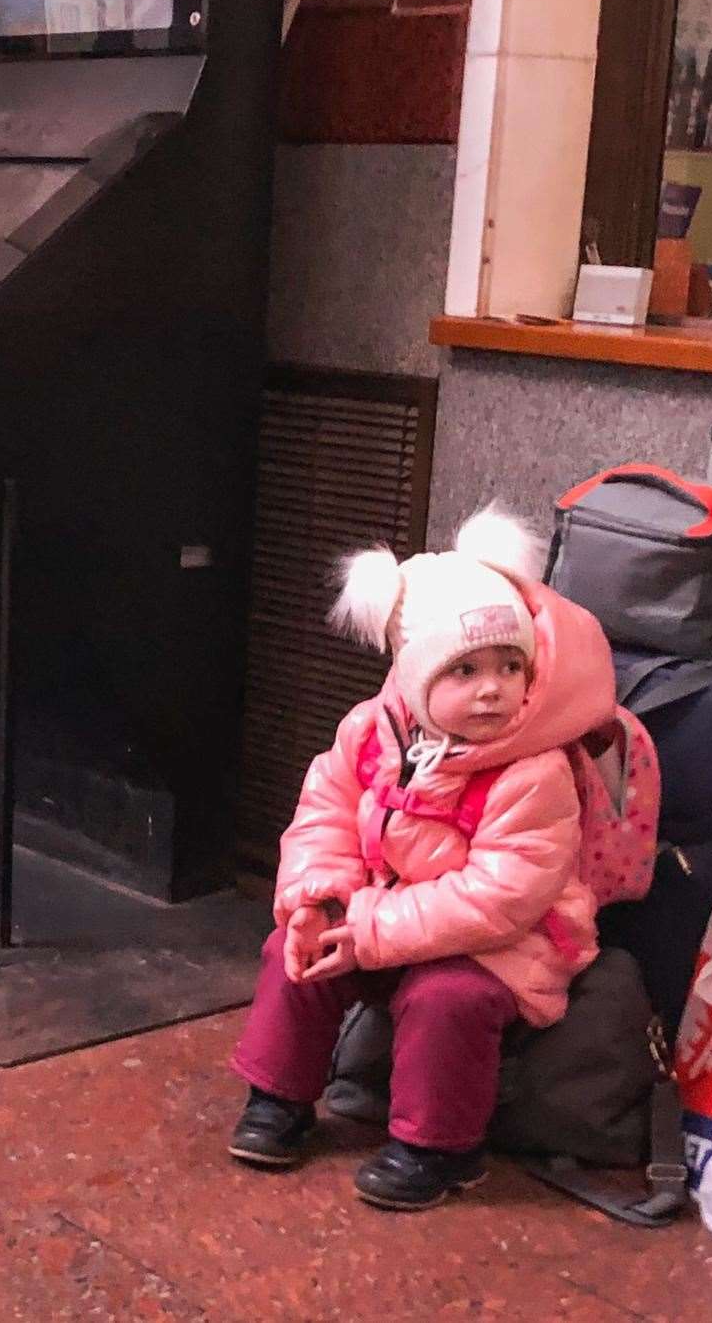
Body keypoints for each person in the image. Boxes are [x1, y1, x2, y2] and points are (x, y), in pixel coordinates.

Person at [227, 506, 617, 1210]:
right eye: (463, 670)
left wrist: (371, 926)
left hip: (505, 942)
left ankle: (439, 1148)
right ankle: (277, 1099)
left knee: (446, 1000)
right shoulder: (371, 734)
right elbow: (324, 815)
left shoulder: (532, 768)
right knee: (294, 951)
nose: (493, 687)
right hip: (387, 916)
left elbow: (503, 896)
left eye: (510, 665)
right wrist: (323, 901)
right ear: (412, 678)